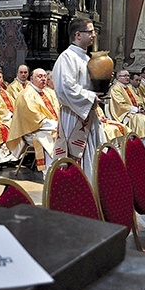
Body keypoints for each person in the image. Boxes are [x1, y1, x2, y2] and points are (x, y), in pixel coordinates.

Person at [52, 18, 106, 178]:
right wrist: (90, 96)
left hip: (87, 113)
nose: (94, 35)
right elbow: (65, 88)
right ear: (77, 34)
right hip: (73, 116)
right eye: (90, 31)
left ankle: (93, 189)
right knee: (77, 156)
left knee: (93, 155)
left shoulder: (87, 58)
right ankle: (78, 189)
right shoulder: (67, 58)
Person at [7, 68, 59, 177]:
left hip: (51, 127)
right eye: (39, 76)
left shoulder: (49, 92)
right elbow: (34, 118)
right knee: (50, 138)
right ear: (31, 78)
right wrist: (56, 125)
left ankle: (62, 169)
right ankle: (50, 174)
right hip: (32, 131)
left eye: (45, 76)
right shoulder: (26, 95)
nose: (43, 79)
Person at [107, 69, 145, 154]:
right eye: (124, 76)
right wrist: (136, 109)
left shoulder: (129, 87)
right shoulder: (115, 88)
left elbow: (138, 99)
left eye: (128, 75)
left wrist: (141, 108)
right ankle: (143, 149)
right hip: (125, 113)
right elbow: (120, 104)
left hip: (134, 111)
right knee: (141, 120)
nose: (127, 78)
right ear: (118, 77)